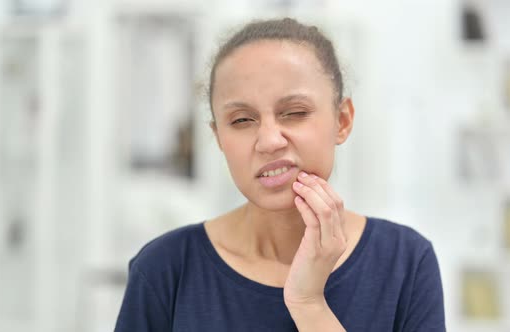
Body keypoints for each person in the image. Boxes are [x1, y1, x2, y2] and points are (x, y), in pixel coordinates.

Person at [114, 17, 446, 332]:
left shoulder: (405, 263)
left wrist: (309, 304)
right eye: (242, 120)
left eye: (295, 113)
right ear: (218, 137)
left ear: (342, 120)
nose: (270, 141)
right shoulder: (164, 269)